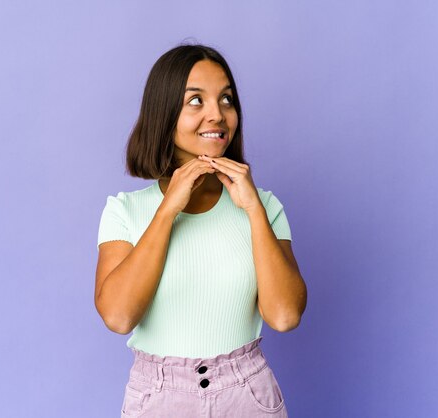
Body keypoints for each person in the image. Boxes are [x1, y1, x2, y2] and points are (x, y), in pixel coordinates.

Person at [95, 43, 307, 417]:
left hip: (247, 395)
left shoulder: (266, 206)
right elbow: (118, 316)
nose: (218, 115)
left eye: (226, 100)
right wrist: (167, 211)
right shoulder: (124, 211)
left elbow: (285, 316)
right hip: (159, 397)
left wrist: (253, 208)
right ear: (164, 112)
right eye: (196, 101)